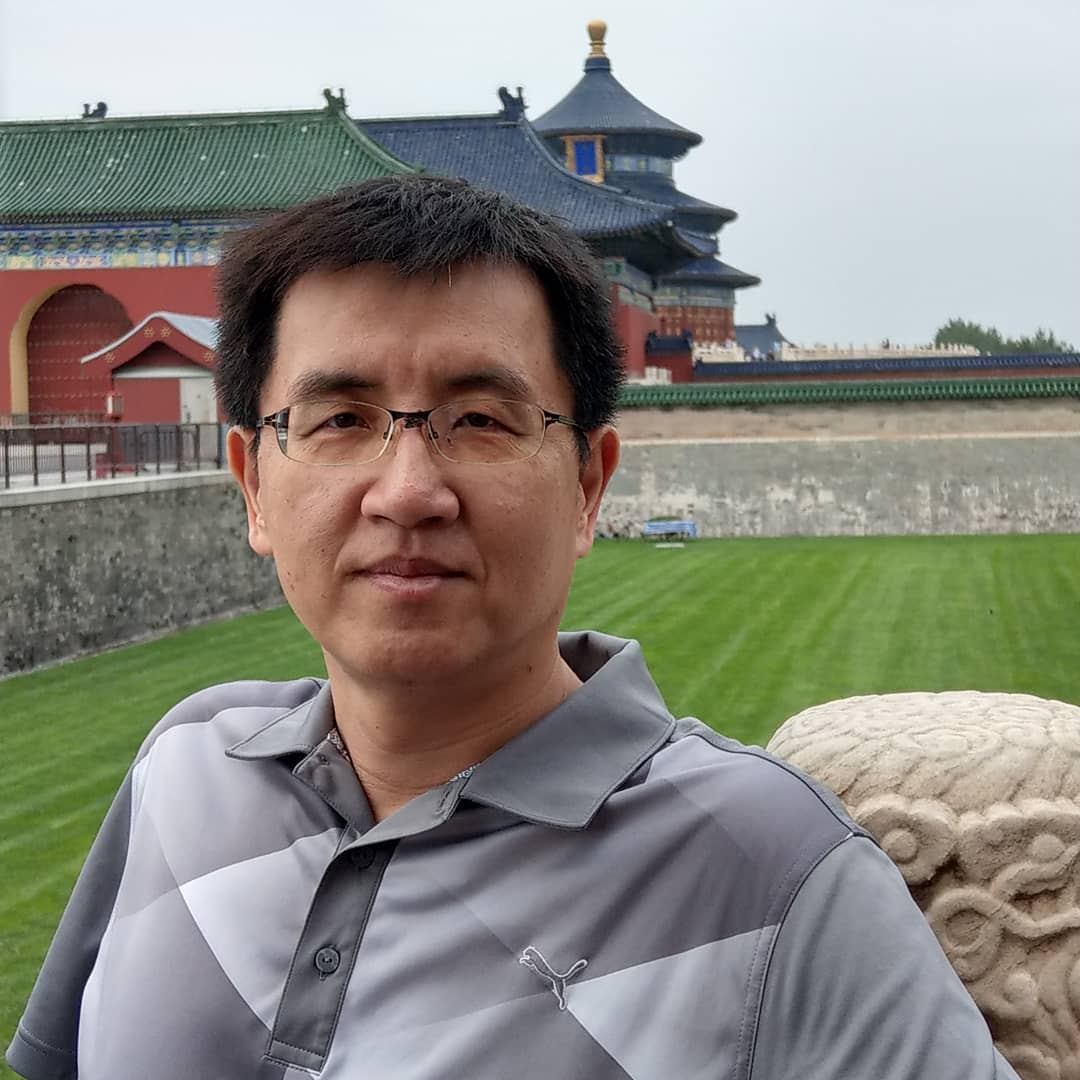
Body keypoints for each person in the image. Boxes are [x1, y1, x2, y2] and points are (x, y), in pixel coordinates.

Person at [8, 177, 1017, 1079]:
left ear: (588, 486)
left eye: (482, 421)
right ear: (252, 487)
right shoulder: (185, 766)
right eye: (340, 420)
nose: (408, 492)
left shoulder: (777, 875)